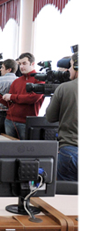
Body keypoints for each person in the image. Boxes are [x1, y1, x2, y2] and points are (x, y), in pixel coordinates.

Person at [46, 51, 82, 181]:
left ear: (78, 67)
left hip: (69, 150)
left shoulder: (64, 88)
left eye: (72, 65)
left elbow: (50, 117)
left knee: (66, 196)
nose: (70, 69)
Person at [0, 52, 44, 140]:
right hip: (10, 121)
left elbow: (32, 98)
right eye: (19, 64)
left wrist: (12, 97)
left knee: (25, 151)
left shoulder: (39, 79)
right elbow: (9, 103)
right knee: (10, 150)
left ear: (32, 64)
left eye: (24, 63)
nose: (21, 67)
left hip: (26, 123)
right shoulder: (16, 81)